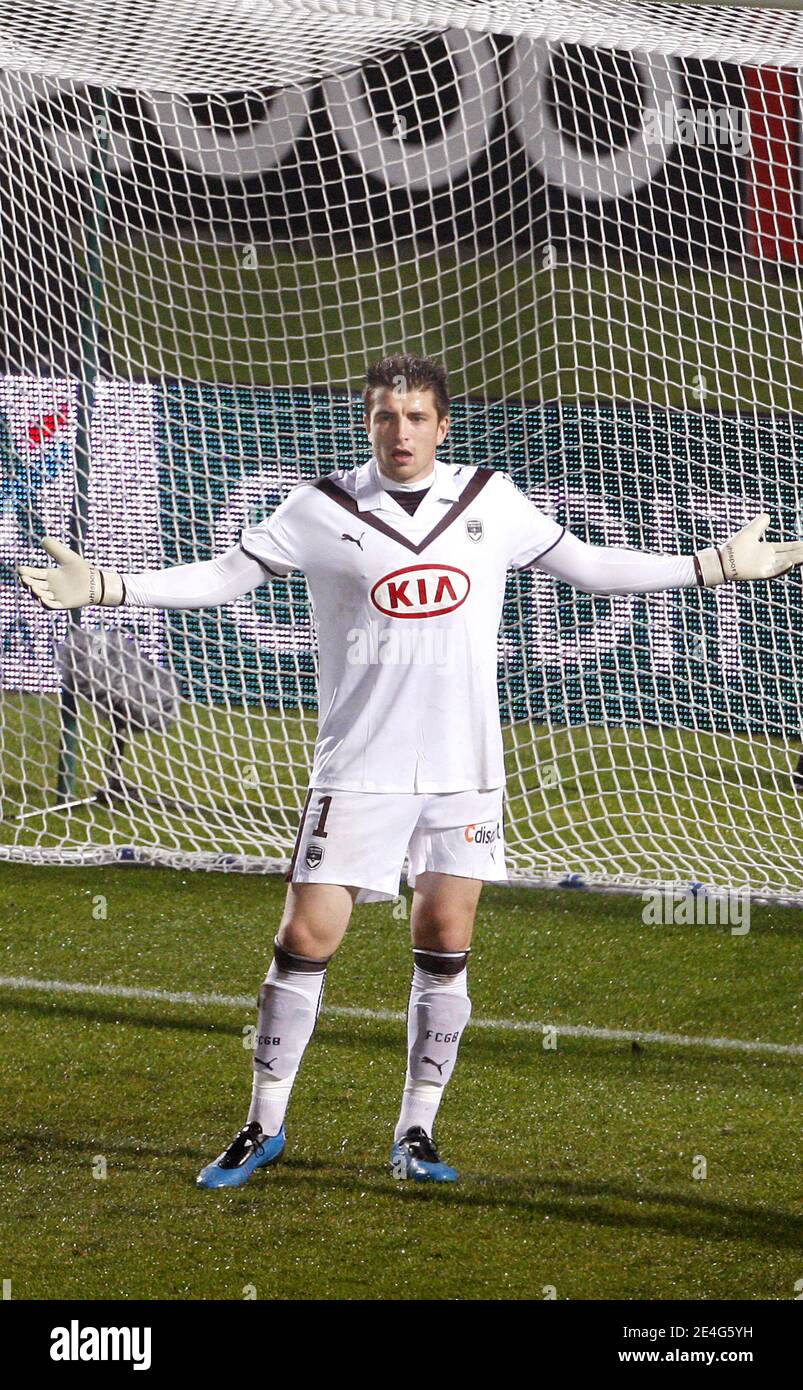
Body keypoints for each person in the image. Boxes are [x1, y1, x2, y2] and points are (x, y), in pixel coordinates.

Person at [17, 353, 803, 1186]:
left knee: (444, 941)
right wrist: (109, 586)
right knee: (303, 938)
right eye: (386, 417)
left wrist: (710, 566)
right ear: (369, 422)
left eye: (417, 417)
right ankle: (261, 1124)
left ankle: (416, 1133)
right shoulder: (320, 508)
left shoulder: (488, 500)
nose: (401, 432)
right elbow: (226, 579)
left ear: (442, 424)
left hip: (464, 769)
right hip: (359, 766)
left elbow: (591, 566)